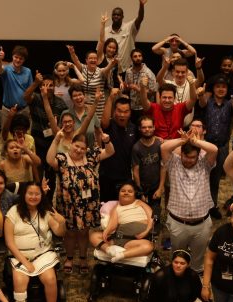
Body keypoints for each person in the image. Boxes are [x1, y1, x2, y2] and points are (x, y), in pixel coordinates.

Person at [47, 129, 114, 274]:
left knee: (84, 232)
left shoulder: (91, 157)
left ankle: (83, 258)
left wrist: (107, 140)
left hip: (88, 205)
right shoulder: (62, 159)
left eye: (83, 148)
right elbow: (49, 159)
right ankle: (70, 258)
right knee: (70, 233)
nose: (79, 150)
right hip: (68, 205)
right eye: (77, 146)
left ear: (87, 149)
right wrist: (56, 140)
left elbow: (110, 152)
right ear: (71, 144)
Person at [4, 184, 67, 302]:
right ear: (24, 195)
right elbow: (9, 242)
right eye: (30, 193)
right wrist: (25, 262)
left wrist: (62, 222)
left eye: (37, 194)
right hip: (20, 254)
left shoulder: (45, 212)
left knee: (50, 278)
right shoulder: (13, 212)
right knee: (20, 280)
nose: (33, 197)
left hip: (42, 253)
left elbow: (59, 232)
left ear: (41, 195)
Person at [161, 130, 218, 273]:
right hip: (178, 223)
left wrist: (195, 142)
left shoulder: (205, 164)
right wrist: (182, 141)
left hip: (202, 224)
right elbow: (164, 148)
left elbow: (214, 149)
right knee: (177, 259)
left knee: (198, 261)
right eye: (186, 156)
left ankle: (195, 282)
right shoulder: (173, 163)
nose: (188, 160)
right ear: (181, 154)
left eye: (193, 157)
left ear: (198, 155)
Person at [198, 75, 233, 217]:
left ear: (227, 89)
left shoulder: (230, 104)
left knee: (216, 178)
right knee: (203, 177)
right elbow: (200, 100)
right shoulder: (207, 102)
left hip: (223, 147)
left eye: (223, 87)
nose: (220, 89)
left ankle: (212, 206)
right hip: (206, 147)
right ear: (213, 89)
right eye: (218, 86)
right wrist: (200, 94)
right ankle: (201, 206)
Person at [89, 181, 154, 262]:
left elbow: (151, 216)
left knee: (149, 246)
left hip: (135, 240)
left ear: (134, 194)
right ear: (119, 193)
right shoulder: (116, 207)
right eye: (123, 191)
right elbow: (113, 224)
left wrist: (147, 230)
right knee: (93, 236)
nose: (126, 193)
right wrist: (106, 231)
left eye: (130, 191)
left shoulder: (139, 202)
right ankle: (108, 250)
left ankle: (121, 255)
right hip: (120, 236)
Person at [100, 90, 137, 202]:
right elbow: (104, 122)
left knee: (123, 206)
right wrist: (110, 98)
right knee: (106, 207)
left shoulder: (134, 128)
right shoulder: (109, 125)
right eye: (119, 111)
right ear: (114, 111)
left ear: (130, 112)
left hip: (124, 176)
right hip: (106, 175)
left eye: (126, 111)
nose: (122, 114)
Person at [131, 116, 164, 215]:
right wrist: (140, 192)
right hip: (143, 187)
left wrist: (160, 188)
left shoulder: (160, 144)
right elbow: (135, 171)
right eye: (144, 127)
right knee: (144, 213)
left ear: (154, 127)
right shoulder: (136, 148)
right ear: (140, 129)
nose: (147, 130)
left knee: (156, 212)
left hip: (156, 185)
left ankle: (156, 227)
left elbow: (163, 167)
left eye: (150, 127)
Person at [0, 45, 34, 125]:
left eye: (21, 58)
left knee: (24, 135)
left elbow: (30, 90)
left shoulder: (28, 71)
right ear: (12, 56)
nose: (18, 60)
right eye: (16, 57)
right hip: (7, 110)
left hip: (23, 110)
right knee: (6, 135)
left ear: (24, 60)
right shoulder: (7, 69)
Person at [101, 1, 146, 71]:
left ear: (122, 17)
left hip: (127, 69)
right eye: (114, 14)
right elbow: (100, 50)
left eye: (118, 15)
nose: (116, 16)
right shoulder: (105, 30)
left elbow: (140, 18)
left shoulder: (129, 27)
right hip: (109, 70)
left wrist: (141, 5)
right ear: (111, 16)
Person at [123, 49, 157, 121]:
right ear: (131, 58)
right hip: (132, 107)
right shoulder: (128, 72)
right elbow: (127, 88)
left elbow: (153, 92)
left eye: (139, 56)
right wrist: (126, 87)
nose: (138, 58)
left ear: (142, 57)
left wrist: (137, 88)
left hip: (145, 108)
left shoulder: (148, 73)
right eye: (135, 56)